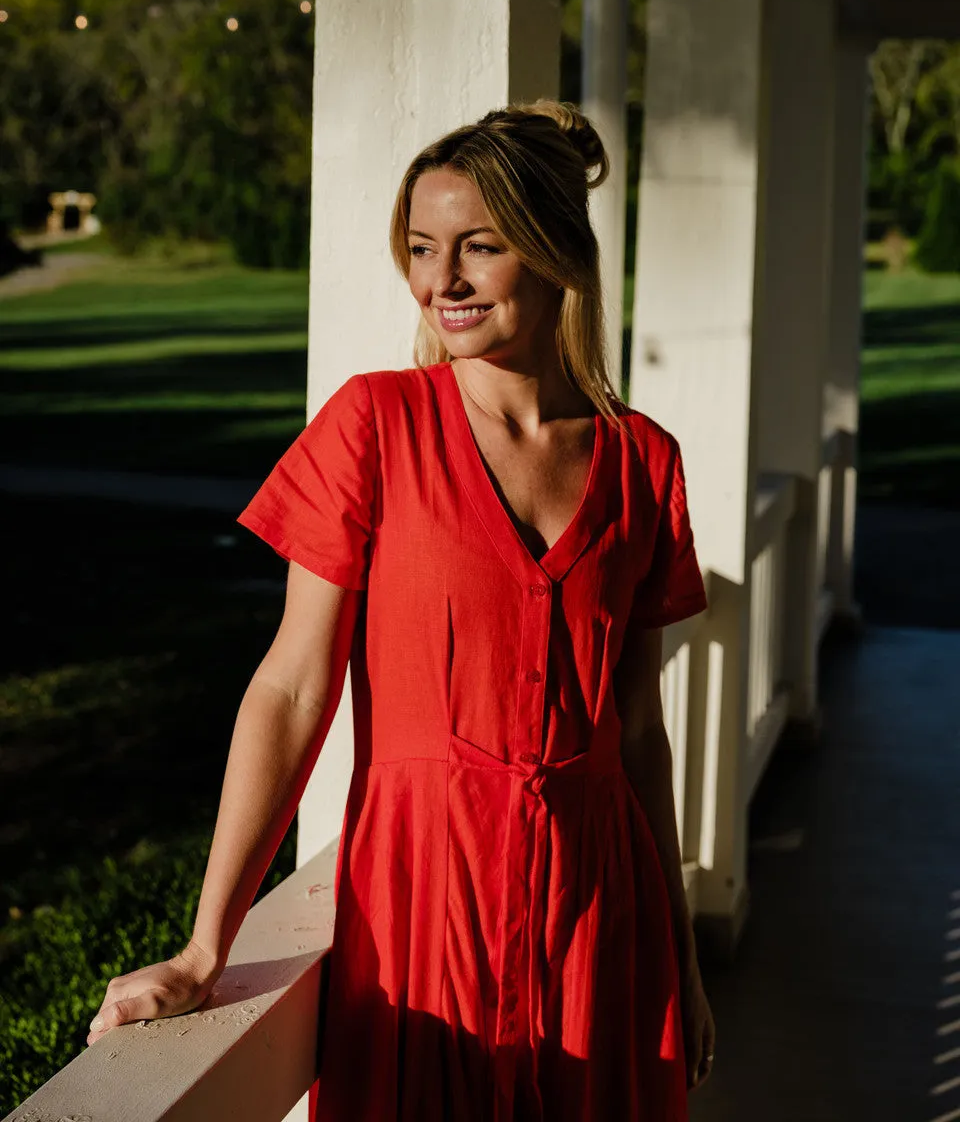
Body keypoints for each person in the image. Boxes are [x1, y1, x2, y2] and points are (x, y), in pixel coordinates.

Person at [88, 100, 716, 1119]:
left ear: (556, 248)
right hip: (423, 902)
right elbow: (292, 689)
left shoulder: (644, 461)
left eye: (480, 246)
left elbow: (639, 730)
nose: (442, 281)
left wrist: (679, 956)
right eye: (421, 248)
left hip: (604, 919)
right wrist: (209, 943)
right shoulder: (375, 425)